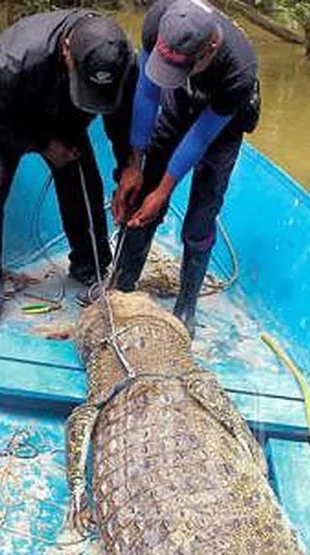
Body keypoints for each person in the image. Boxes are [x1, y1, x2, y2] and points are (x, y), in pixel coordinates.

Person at [0, 10, 138, 329]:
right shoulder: (15, 60)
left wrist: (128, 166)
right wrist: (43, 144)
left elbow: (121, 121)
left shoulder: (121, 61)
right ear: (67, 49)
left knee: (85, 187)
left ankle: (90, 267)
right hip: (8, 116)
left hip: (68, 114)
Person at [106, 0, 260, 337]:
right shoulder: (159, 19)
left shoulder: (239, 69)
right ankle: (121, 284)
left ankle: (186, 306)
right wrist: (134, 165)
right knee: (143, 190)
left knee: (201, 214)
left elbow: (202, 137)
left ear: (211, 48)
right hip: (179, 103)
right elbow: (147, 94)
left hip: (222, 126)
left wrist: (165, 191)